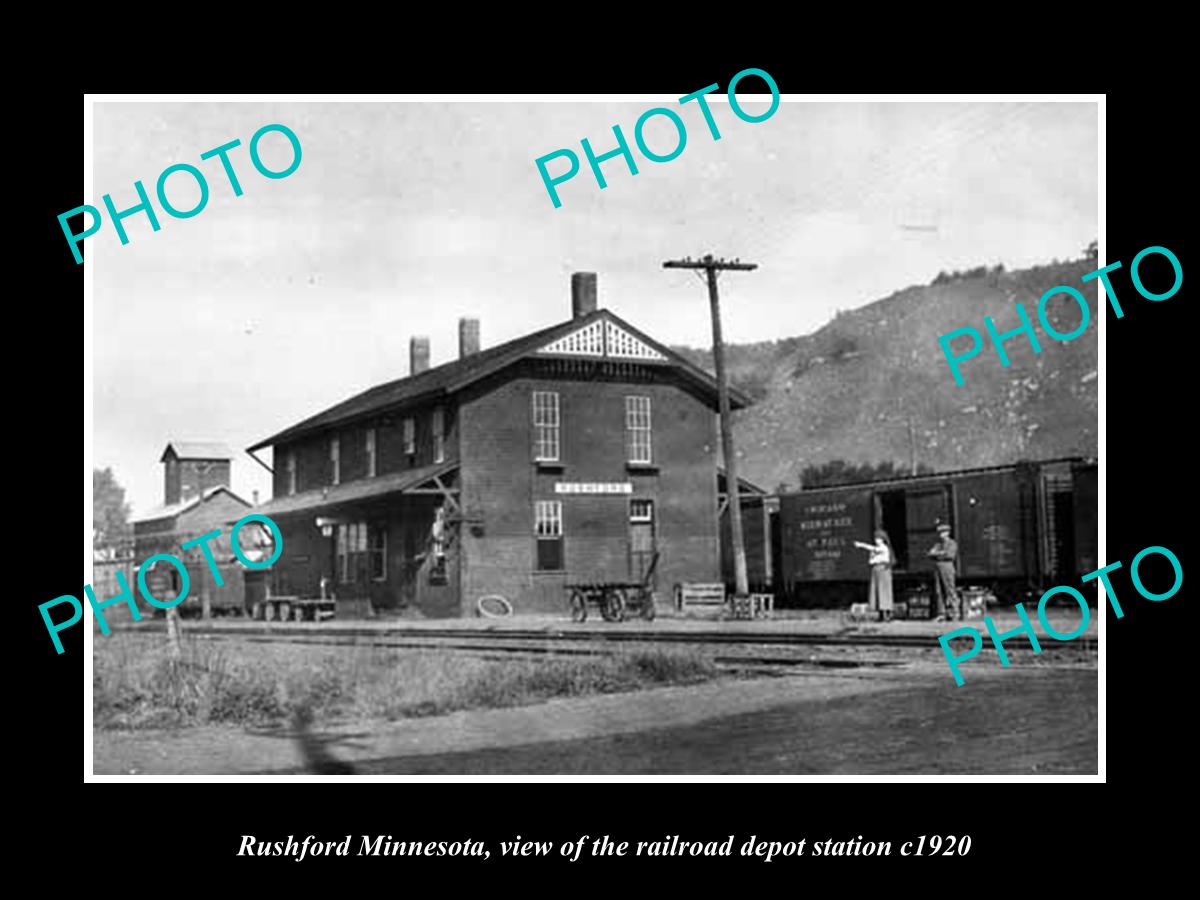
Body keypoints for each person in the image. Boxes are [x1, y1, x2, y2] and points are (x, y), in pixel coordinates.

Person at [853, 529, 895, 621]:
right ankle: (880, 613)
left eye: (879, 539)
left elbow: (873, 549)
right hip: (876, 570)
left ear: (883, 540)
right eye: (876, 538)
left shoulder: (883, 548)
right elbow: (870, 561)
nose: (877, 540)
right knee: (877, 592)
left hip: (883, 569)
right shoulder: (876, 550)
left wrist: (861, 545)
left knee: (884, 591)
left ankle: (887, 613)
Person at [927, 522, 960, 622]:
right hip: (938, 568)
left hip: (947, 567)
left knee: (950, 589)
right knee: (939, 591)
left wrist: (937, 554)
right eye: (940, 533)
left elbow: (950, 555)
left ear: (947, 533)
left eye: (943, 532)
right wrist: (940, 553)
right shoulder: (938, 544)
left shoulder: (952, 543)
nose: (941, 535)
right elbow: (929, 554)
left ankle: (955, 612)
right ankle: (942, 613)